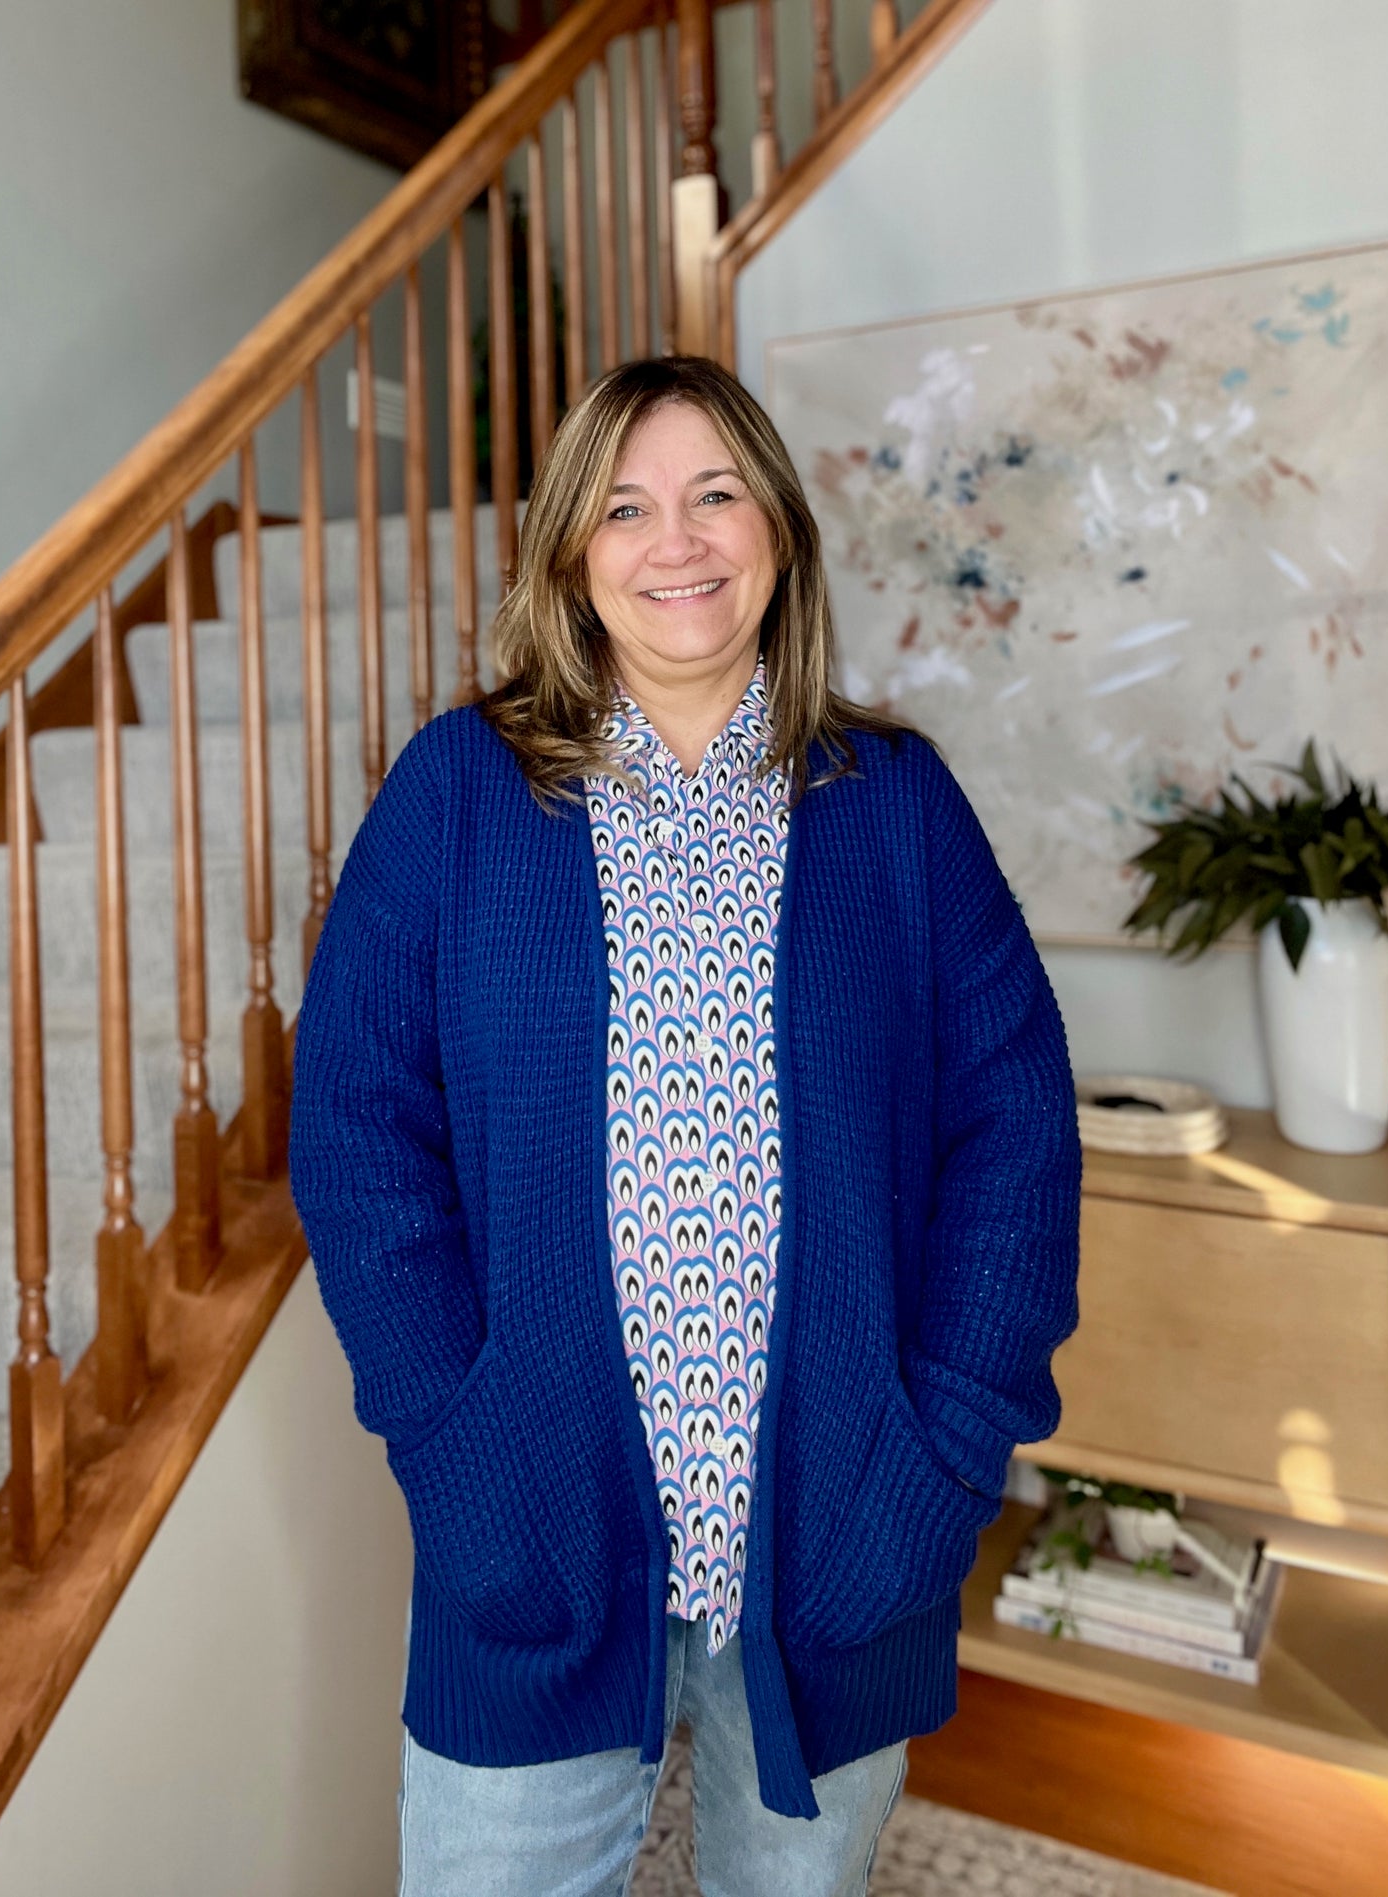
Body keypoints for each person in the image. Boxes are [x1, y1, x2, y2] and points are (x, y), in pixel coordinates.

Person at [287, 355, 1081, 1895]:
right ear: (573, 556)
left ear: (775, 529)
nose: (680, 540)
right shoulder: (458, 794)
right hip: (531, 1537)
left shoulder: (896, 802)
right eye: (627, 505)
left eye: (716, 494)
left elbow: (1016, 1139)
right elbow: (357, 1142)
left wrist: (940, 1459)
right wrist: (458, 1451)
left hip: (844, 1531)